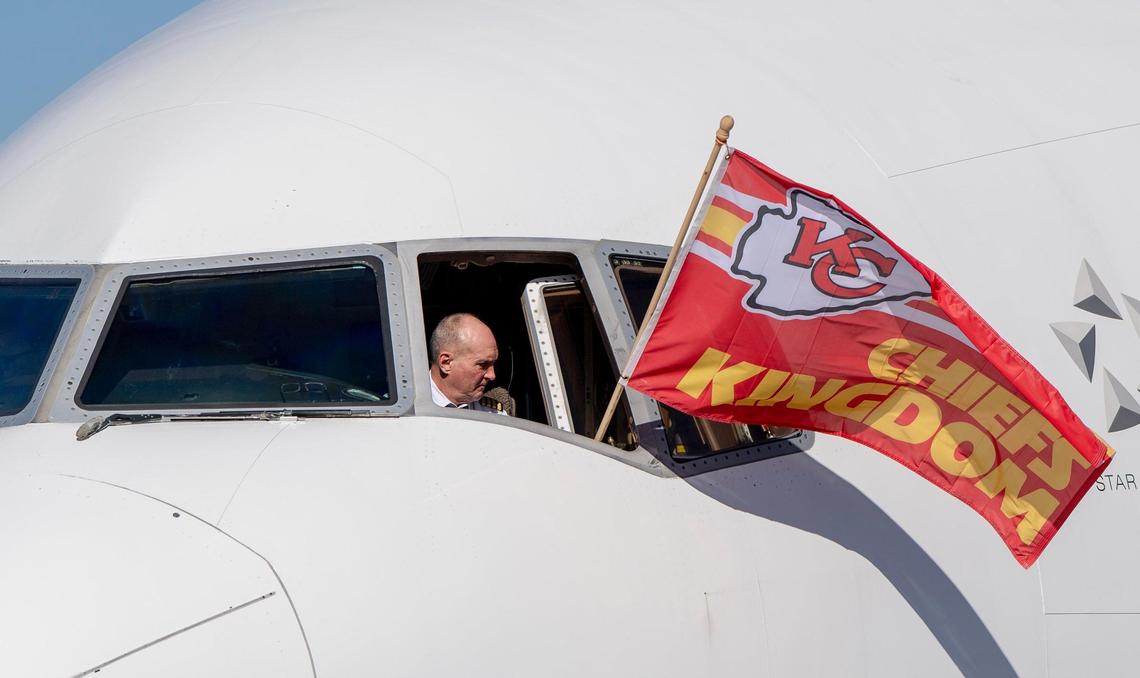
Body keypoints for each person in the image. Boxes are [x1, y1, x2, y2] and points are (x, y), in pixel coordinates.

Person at [428, 313, 508, 414]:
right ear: (446, 363)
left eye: (493, 364)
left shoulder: (493, 412)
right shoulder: (409, 408)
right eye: (483, 365)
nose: (492, 376)